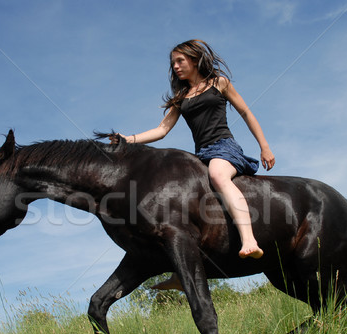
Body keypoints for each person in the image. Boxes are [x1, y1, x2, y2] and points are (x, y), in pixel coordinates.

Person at [110, 39, 275, 290]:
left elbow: (246, 113)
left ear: (194, 60)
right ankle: (180, 272)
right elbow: (161, 130)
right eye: (172, 63)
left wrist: (264, 145)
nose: (175, 67)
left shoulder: (219, 83)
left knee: (219, 176)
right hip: (200, 155)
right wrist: (126, 140)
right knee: (177, 202)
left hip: (224, 148)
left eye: (180, 61)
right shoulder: (181, 97)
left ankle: (249, 239)